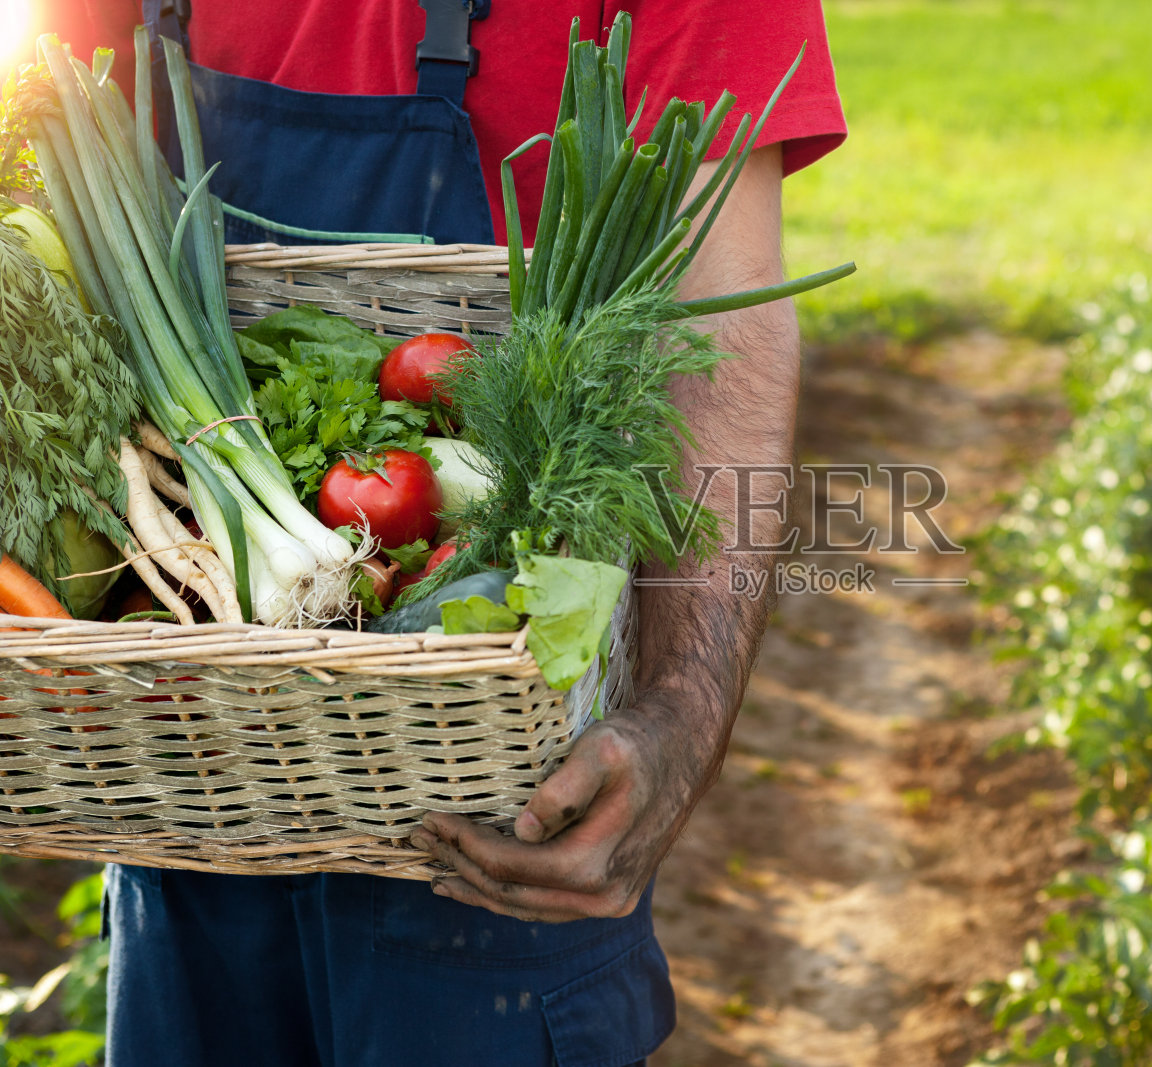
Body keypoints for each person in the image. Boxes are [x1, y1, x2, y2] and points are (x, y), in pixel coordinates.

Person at [92, 3, 847, 1065]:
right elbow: (44, 169)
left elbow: (717, 314)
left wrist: (682, 713)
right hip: (194, 787)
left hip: (495, 821)